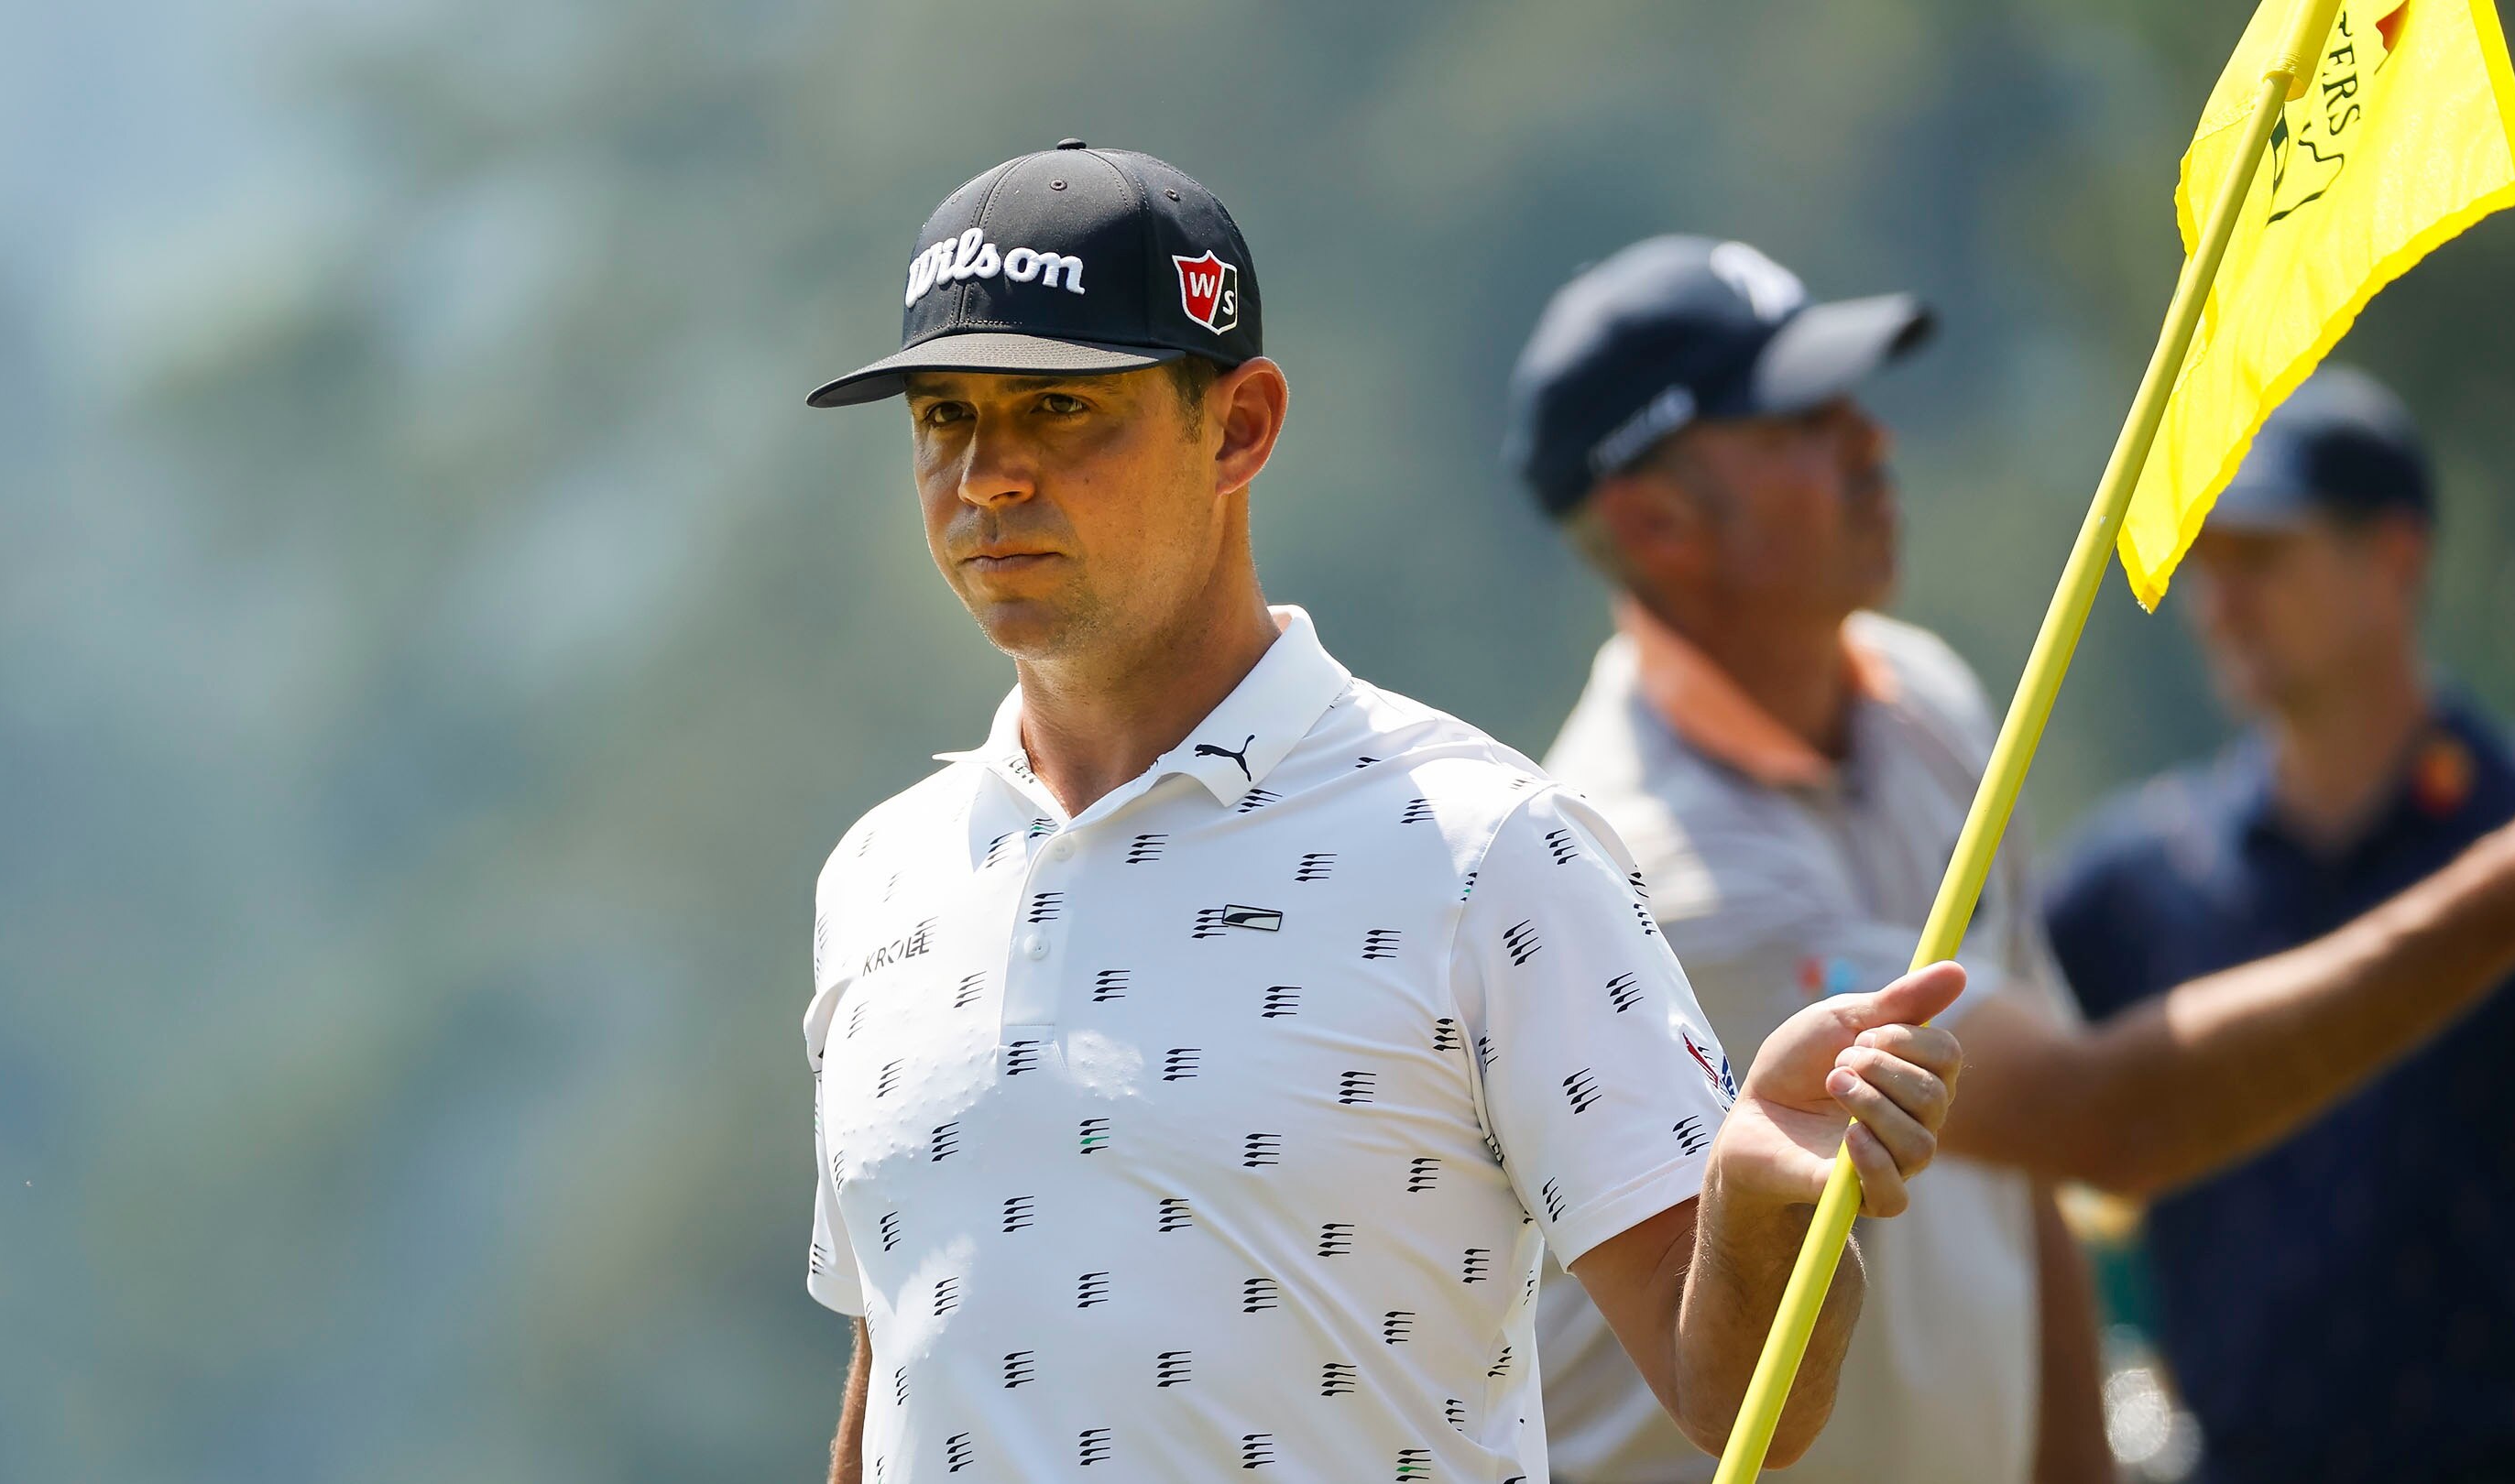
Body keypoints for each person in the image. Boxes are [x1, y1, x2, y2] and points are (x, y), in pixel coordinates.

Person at [797, 143, 1968, 1484]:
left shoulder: (1486, 848)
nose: (988, 476)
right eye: (945, 419)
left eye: (1061, 407)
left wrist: (1760, 1197)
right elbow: (906, 1367)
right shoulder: (881, 874)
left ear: (1237, 428)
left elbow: (1731, 1393)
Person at [1504, 243, 2515, 1484]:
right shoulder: (1648, 862)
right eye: (1804, 421)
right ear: (1655, 522)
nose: (1873, 444)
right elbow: (2100, 1121)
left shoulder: (1922, 700)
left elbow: (2033, 1197)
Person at [2043, 365, 2515, 1484]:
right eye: (2205, 560)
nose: (2220, 599)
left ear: (2396, 556)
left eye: (2264, 553)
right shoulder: (2135, 879)